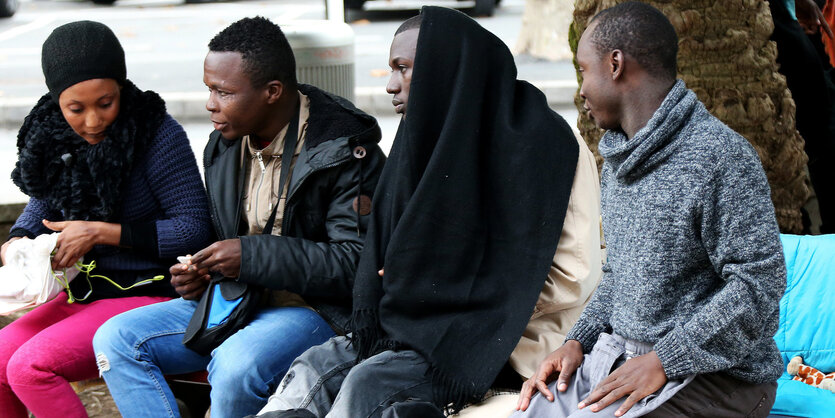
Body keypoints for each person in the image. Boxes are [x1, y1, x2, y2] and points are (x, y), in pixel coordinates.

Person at [255, 6, 588, 417]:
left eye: (404, 68)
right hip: (407, 320)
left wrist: (441, 288)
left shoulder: (545, 142)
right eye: (391, 70)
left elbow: (573, 275)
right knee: (314, 366)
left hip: (497, 331)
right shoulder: (423, 137)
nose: (391, 86)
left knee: (368, 383)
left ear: (448, 68)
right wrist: (412, 283)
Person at [92, 16, 385, 418]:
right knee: (117, 338)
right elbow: (228, 242)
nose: (210, 103)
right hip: (239, 299)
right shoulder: (224, 146)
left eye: (223, 91)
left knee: (234, 367)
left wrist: (248, 256)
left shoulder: (344, 150)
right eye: (208, 89)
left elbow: (357, 262)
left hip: (318, 311)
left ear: (272, 92)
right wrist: (202, 273)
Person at [514, 3, 786, 417]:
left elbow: (759, 286)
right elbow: (620, 275)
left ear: (616, 64)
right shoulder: (620, 160)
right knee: (532, 408)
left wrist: (665, 360)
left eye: (584, 70)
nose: (580, 90)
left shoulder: (720, 157)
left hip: (718, 378)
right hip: (622, 359)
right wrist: (577, 342)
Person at [0, 21, 213, 418]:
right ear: (56, 102)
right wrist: (18, 240)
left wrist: (102, 232)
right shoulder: (51, 136)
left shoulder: (157, 134)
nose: (93, 121)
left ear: (122, 88)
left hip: (149, 294)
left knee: (30, 368)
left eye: (106, 102)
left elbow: (193, 228)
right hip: (85, 293)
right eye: (76, 109)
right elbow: (40, 207)